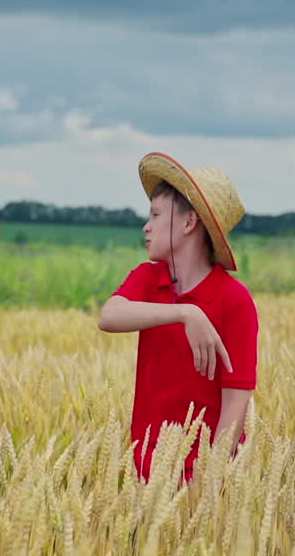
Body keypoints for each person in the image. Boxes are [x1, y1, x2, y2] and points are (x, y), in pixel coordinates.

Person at [98, 152, 259, 481]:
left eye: (156, 215)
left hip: (203, 472)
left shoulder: (234, 300)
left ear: (189, 223)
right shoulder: (147, 278)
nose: (146, 226)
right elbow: (109, 316)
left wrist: (212, 478)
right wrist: (186, 312)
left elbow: (235, 400)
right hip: (146, 466)